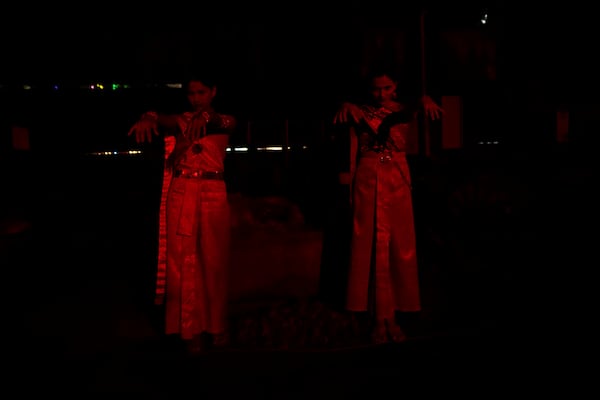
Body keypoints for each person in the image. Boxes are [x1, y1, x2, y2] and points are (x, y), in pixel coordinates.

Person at [333, 64, 442, 344]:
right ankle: (378, 316)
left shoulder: (403, 110)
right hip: (369, 178)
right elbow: (351, 149)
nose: (381, 94)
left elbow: (417, 107)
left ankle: (394, 313)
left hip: (397, 177)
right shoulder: (359, 112)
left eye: (387, 88)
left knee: (399, 243)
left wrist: (425, 99)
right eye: (376, 88)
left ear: (395, 87)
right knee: (369, 242)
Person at [127, 72, 236, 354]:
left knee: (214, 261)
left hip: (213, 192)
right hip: (182, 189)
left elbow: (218, 122)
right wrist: (149, 117)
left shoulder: (225, 119)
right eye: (191, 93)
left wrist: (206, 118)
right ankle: (190, 329)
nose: (196, 98)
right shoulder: (182, 120)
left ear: (213, 91)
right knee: (183, 260)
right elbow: (164, 120)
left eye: (201, 92)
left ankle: (216, 326)